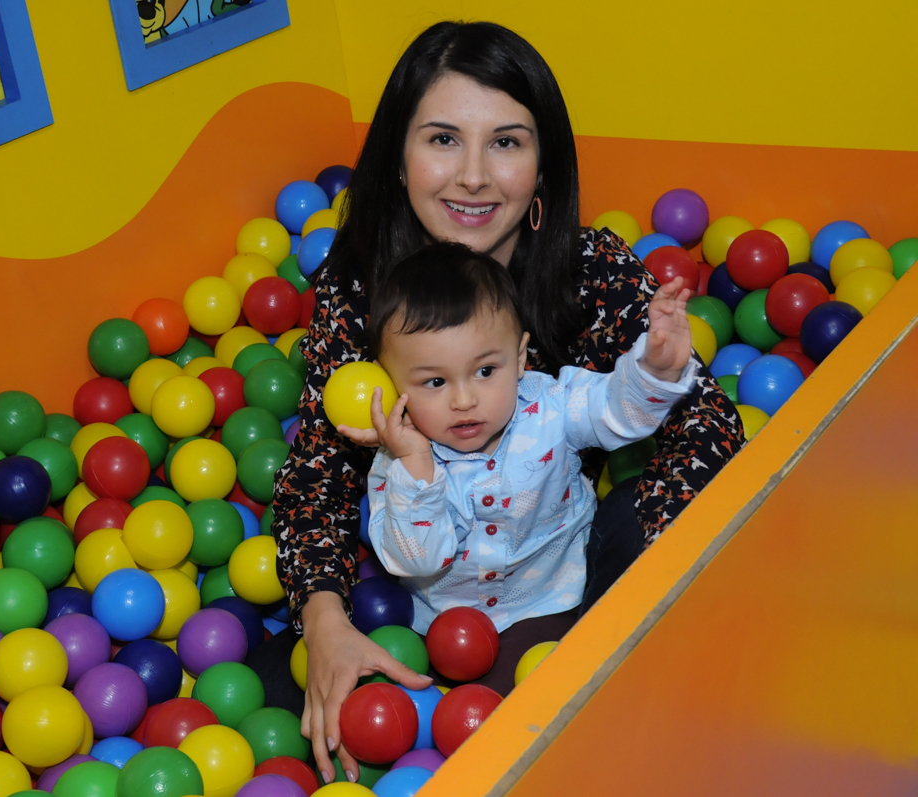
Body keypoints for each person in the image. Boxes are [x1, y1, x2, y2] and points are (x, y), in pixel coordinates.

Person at [256, 20, 745, 784]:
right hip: (420, 573)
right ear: (398, 158)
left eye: (507, 142)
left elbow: (705, 423)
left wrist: (634, 598)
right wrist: (325, 622)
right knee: (303, 703)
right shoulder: (359, 288)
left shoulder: (589, 267)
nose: (474, 177)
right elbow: (317, 480)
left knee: (682, 525)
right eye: (444, 139)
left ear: (543, 163)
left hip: (562, 558)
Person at [342, 242, 696, 693]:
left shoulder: (549, 405)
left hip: (553, 599)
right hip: (440, 624)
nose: (465, 400)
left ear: (521, 358)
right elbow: (416, 559)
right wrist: (415, 464)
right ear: (391, 385)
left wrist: (655, 371)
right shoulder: (398, 463)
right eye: (435, 381)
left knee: (543, 689)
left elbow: (616, 412)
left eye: (486, 370)